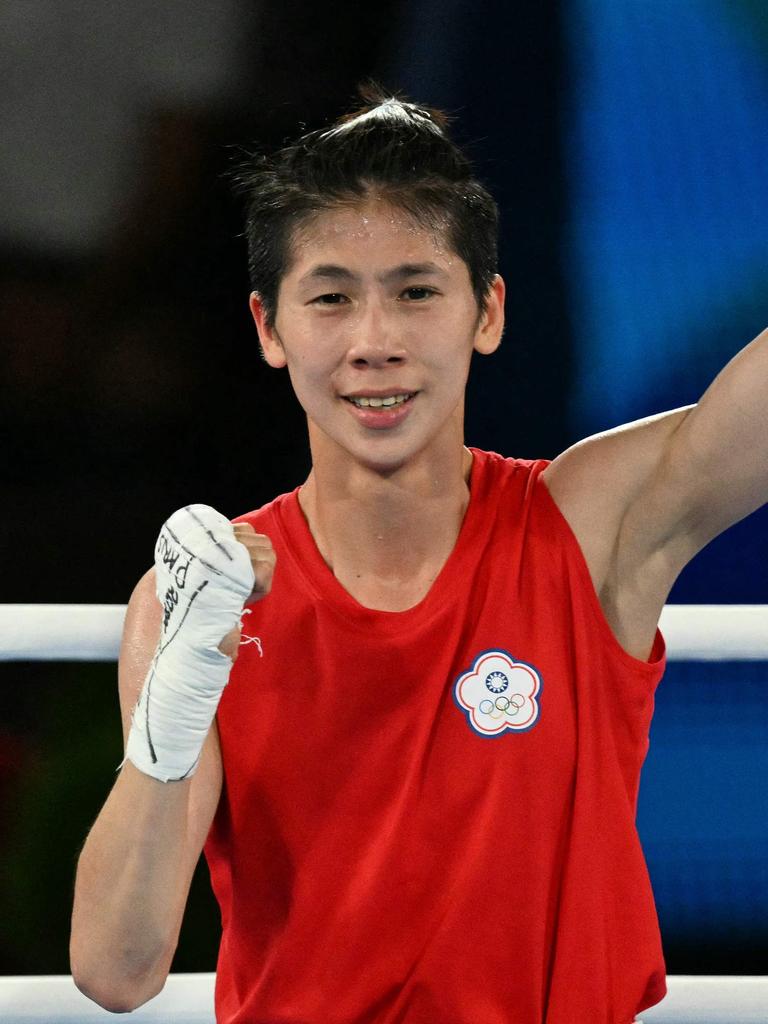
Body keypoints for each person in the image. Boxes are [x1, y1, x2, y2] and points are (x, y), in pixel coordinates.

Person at [70, 87, 767, 1024]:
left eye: (415, 292)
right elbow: (117, 970)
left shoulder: (588, 528)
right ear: (270, 329)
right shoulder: (198, 596)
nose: (374, 344)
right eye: (330, 299)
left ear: (487, 312)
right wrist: (182, 682)